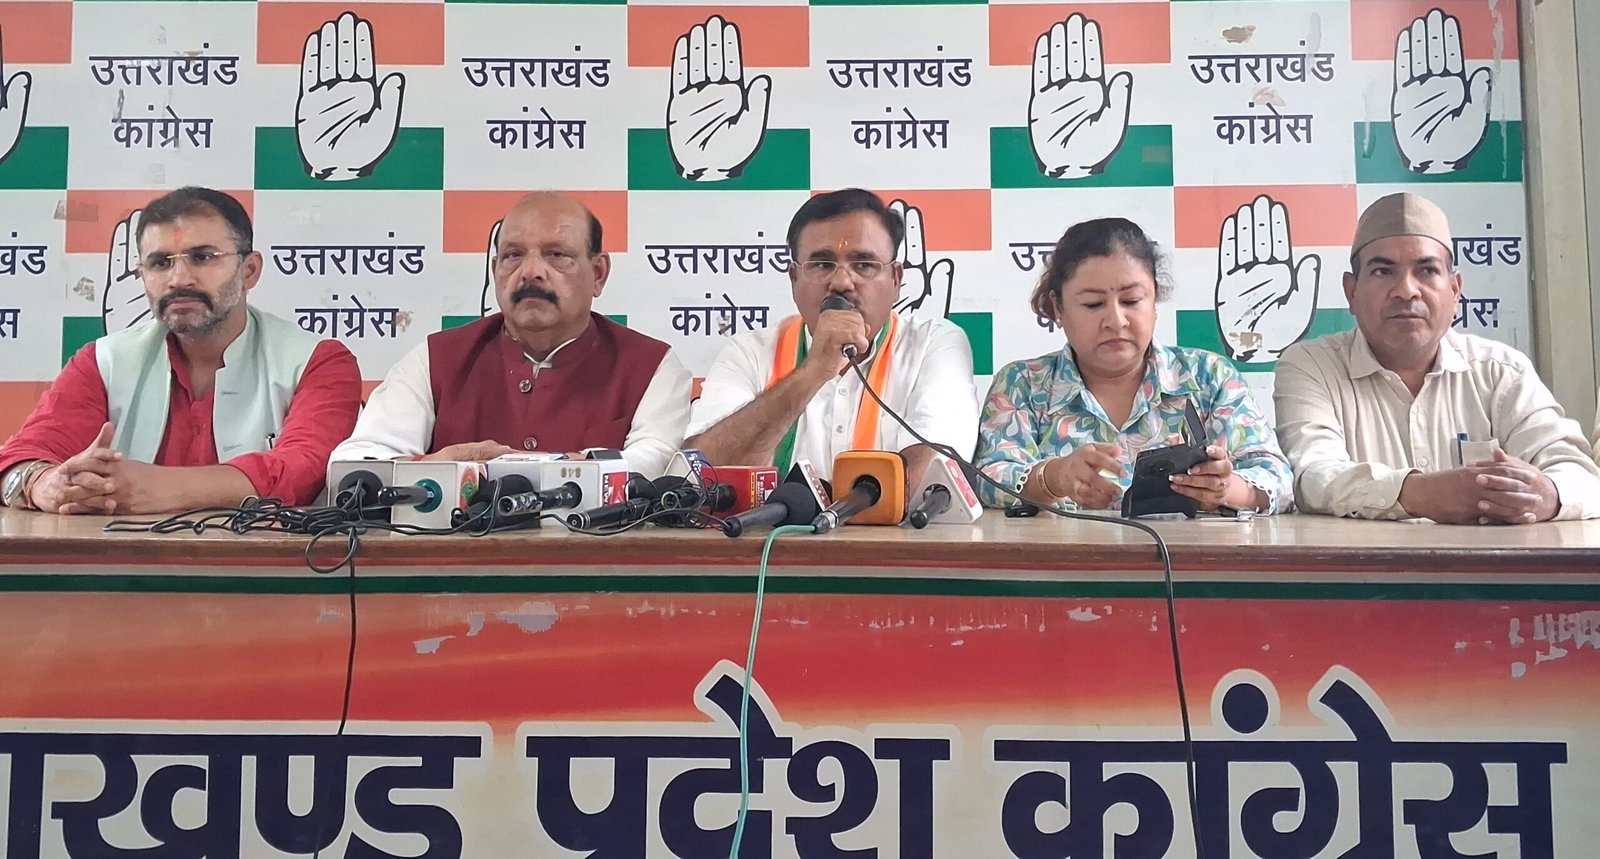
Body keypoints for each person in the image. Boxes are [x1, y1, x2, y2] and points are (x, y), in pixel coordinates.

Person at [0, 187, 360, 514]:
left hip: (273, 563)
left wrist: (155, 487)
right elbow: (20, 456)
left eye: (202, 257)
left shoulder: (316, 361)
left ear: (249, 271)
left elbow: (304, 469)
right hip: (124, 563)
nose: (179, 279)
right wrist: (42, 484)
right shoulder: (103, 361)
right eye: (160, 263)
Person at [1275, 192, 1600, 522]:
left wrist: (1545, 494)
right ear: (1351, 291)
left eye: (1427, 271)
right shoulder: (1312, 367)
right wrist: (1422, 493)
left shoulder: (1501, 371)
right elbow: (1313, 477)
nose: (1406, 290)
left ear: (1455, 290)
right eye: (1383, 272)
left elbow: (1580, 474)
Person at [332, 192, 692, 475]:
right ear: (495, 270)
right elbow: (353, 467)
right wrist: (436, 467)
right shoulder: (437, 358)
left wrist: (520, 468)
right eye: (513, 256)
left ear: (598, 274)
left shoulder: (651, 365)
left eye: (556, 255)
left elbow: (655, 467)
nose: (531, 271)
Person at [976, 218, 1291, 513]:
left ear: (1155, 301)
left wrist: (1225, 489)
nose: (1116, 321)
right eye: (1093, 304)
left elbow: (1277, 478)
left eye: (1131, 301)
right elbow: (986, 477)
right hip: (1059, 554)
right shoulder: (1023, 384)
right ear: (1058, 308)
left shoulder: (1209, 377)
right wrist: (1055, 477)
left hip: (1187, 554)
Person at [684, 188, 978, 480]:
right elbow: (699, 473)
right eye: (822, 265)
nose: (841, 283)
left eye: (864, 265)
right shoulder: (749, 352)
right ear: (794, 278)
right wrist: (813, 371)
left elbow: (936, 475)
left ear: (896, 279)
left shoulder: (933, 344)